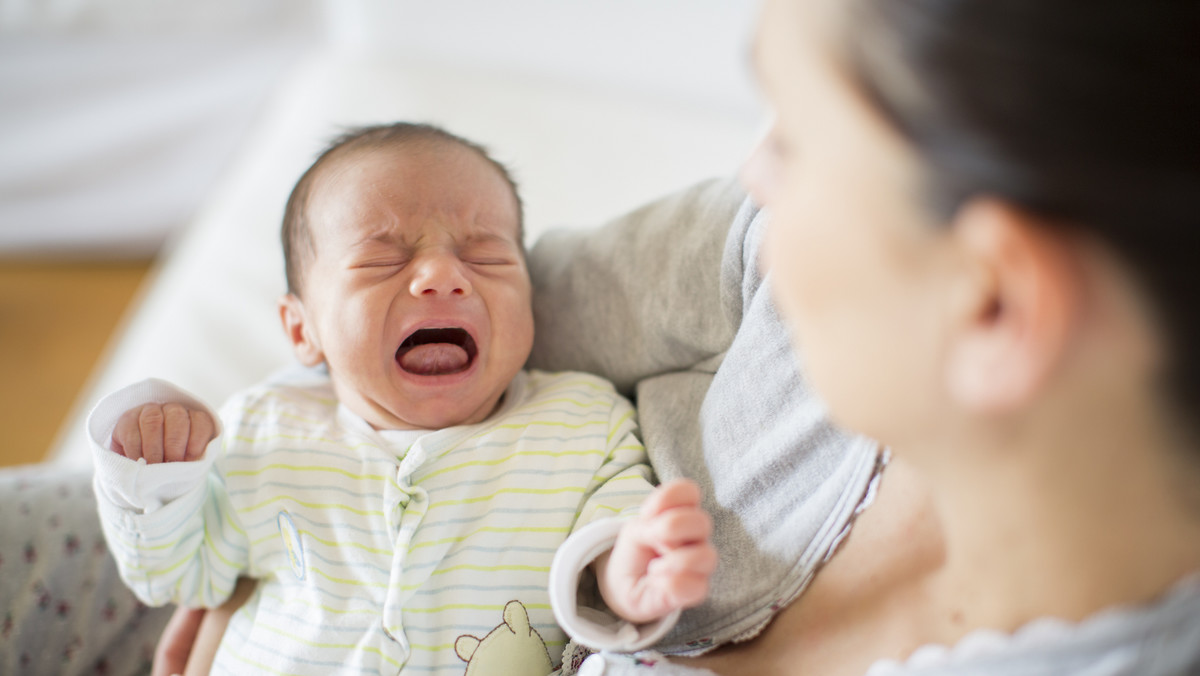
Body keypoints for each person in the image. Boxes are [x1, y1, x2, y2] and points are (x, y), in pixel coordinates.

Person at [545, 0, 1200, 674]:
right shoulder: (788, 296)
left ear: (991, 306)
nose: (754, 177)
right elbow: (507, 299)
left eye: (792, 142)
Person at [86, 123, 716, 675]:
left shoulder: (583, 421)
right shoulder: (266, 428)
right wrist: (159, 477)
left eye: (486, 254)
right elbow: (178, 575)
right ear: (303, 330)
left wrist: (628, 570)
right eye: (382, 259)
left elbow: (610, 532)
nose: (443, 275)